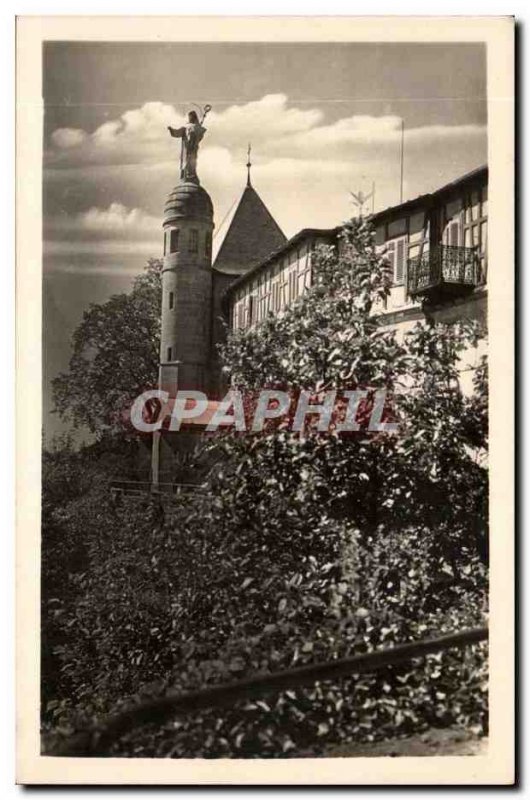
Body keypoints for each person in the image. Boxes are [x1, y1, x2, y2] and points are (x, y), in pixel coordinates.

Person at [168, 111, 206, 182]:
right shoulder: (186, 127)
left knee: (192, 161)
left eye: (191, 116)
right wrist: (171, 130)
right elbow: (177, 133)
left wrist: (198, 128)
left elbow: (200, 137)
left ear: (194, 117)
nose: (190, 118)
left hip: (193, 148)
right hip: (186, 148)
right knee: (186, 161)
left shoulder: (196, 127)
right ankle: (186, 175)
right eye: (189, 116)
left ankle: (192, 175)